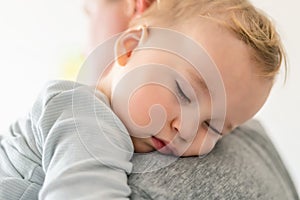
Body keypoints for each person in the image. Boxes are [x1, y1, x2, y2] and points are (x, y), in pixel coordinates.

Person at [0, 0, 291, 199]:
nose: (186, 128)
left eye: (212, 127)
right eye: (183, 91)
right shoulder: (84, 114)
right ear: (130, 47)